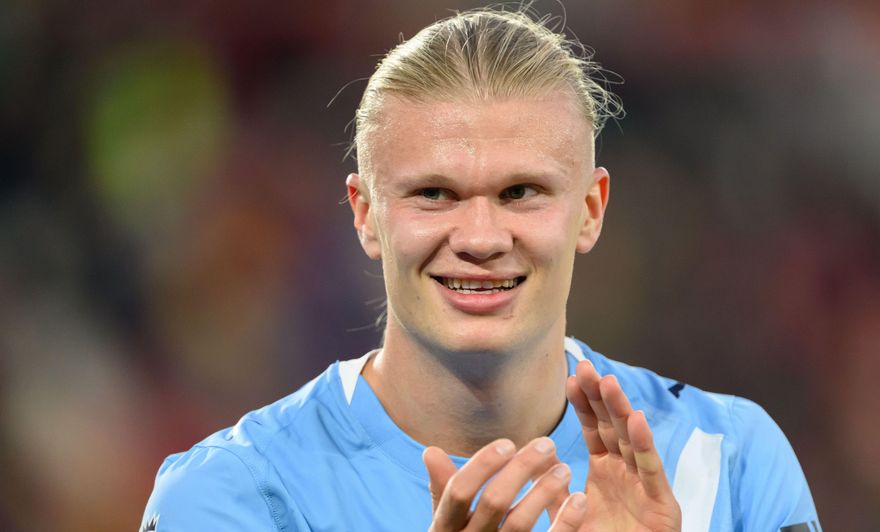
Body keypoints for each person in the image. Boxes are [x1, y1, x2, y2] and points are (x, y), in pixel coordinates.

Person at [141, 7, 820, 532]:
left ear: (590, 210)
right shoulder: (234, 497)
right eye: (434, 194)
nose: (480, 238)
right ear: (365, 215)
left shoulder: (729, 461)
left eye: (520, 192)